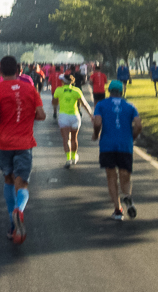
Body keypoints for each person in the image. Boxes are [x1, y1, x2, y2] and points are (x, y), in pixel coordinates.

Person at [0, 56, 45, 244]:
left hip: (3, 144)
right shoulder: (30, 89)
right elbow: (42, 115)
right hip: (24, 143)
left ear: (0, 72)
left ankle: (13, 226)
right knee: (23, 183)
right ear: (19, 71)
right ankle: (19, 209)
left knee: (8, 180)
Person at [92, 80, 142, 221]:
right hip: (125, 145)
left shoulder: (101, 105)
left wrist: (96, 134)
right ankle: (127, 196)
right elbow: (138, 125)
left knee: (111, 176)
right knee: (125, 175)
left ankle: (118, 209)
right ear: (122, 92)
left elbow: (97, 122)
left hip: (107, 145)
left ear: (109, 91)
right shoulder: (130, 106)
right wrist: (132, 137)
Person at [53, 72, 92, 169]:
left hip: (63, 117)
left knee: (66, 139)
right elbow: (84, 104)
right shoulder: (76, 90)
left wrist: (59, 99)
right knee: (74, 138)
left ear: (63, 81)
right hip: (75, 116)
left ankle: (68, 159)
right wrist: (91, 115)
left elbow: (54, 103)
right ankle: (74, 157)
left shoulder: (58, 90)